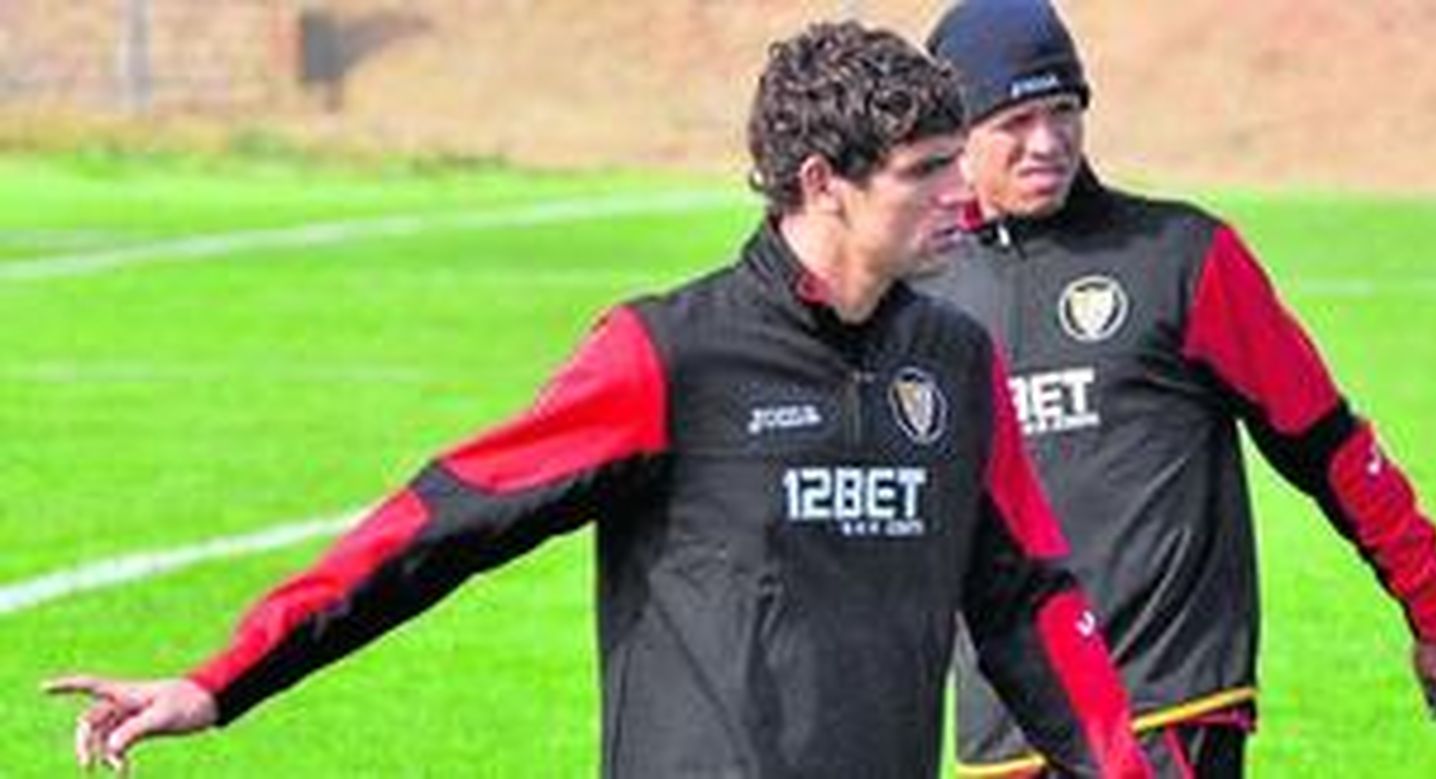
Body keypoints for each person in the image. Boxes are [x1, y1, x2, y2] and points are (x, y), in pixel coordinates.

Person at [44, 21, 1154, 778]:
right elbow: (437, 526)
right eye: (927, 169)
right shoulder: (667, 353)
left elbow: (1029, 600)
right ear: (823, 182)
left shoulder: (955, 362)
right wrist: (221, 679)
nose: (965, 190)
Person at [915, 1, 1436, 776]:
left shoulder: (1183, 257)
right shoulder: (920, 293)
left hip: (1166, 708)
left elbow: (1328, 444)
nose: (1048, 143)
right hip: (1008, 730)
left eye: (1064, 110)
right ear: (957, 138)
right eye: (1015, 120)